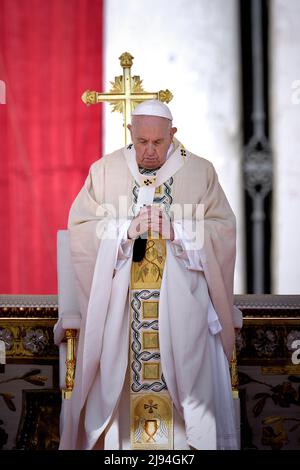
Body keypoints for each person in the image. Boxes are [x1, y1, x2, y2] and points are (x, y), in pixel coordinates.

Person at [59, 100, 241, 450]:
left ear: (173, 134)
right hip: (121, 314)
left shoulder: (200, 172)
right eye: (142, 141)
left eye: (158, 142)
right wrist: (124, 230)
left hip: (182, 311)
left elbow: (224, 230)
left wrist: (181, 232)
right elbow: (81, 229)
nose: (150, 151)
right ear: (131, 132)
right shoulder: (105, 171)